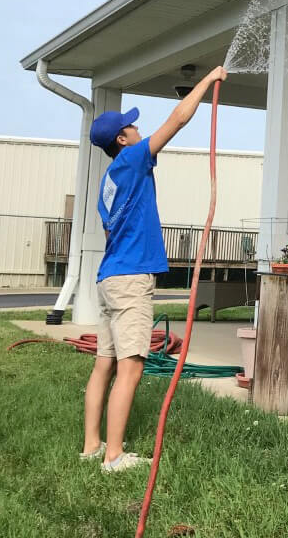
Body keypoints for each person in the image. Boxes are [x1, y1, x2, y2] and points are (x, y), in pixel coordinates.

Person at [79, 65, 227, 472]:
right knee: (131, 367)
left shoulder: (109, 180)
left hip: (109, 277)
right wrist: (210, 79)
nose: (138, 130)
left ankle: (92, 445)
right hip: (130, 280)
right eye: (131, 127)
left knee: (104, 364)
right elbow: (177, 120)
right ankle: (114, 456)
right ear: (121, 139)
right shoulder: (131, 159)